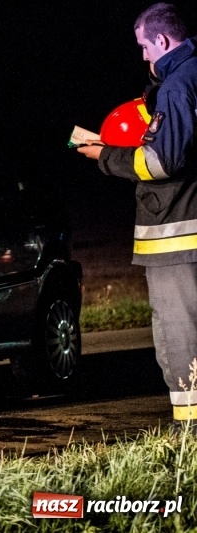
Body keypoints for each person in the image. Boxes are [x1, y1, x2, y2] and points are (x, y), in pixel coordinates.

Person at [79, 3, 197, 433]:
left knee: (179, 340)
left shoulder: (178, 86)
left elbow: (161, 162)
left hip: (176, 237)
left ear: (162, 41)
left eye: (145, 48)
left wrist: (106, 157)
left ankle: (189, 434)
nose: (144, 58)